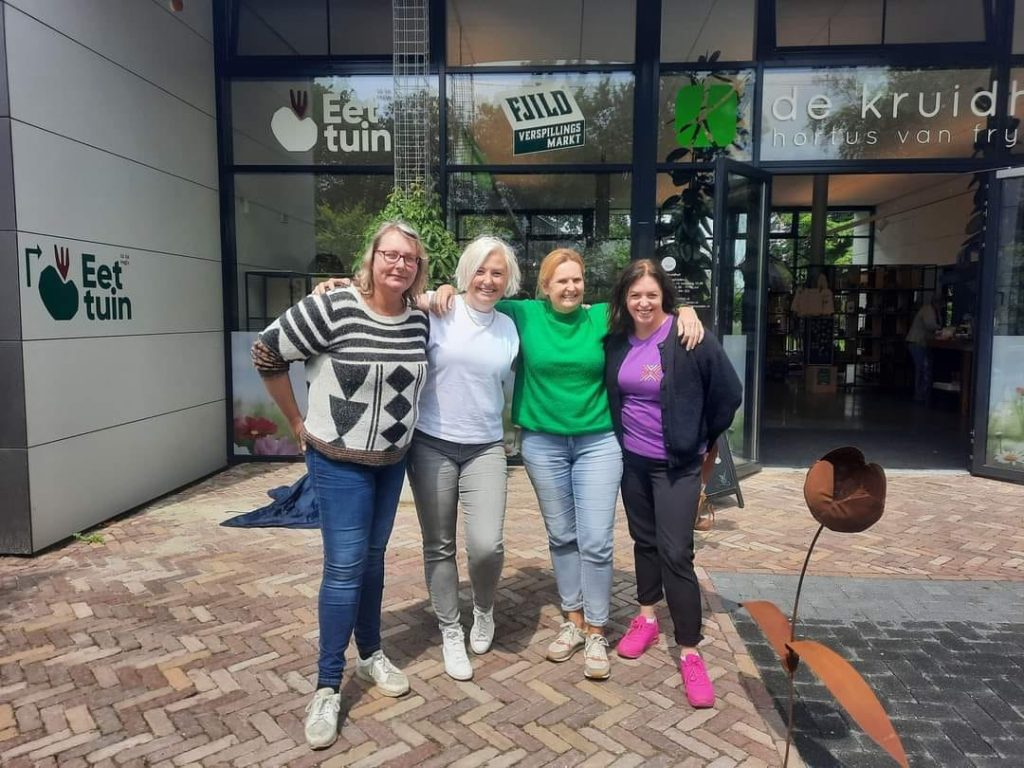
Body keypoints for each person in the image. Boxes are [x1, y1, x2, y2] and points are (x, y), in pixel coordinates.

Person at [433, 248, 705, 680]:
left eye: (577, 280)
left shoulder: (602, 317)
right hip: (543, 442)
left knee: (596, 540)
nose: (571, 287)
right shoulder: (523, 314)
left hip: (598, 442)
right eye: (561, 281)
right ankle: (573, 620)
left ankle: (597, 629)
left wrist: (684, 310)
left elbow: (649, 310)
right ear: (545, 286)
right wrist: (442, 290)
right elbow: (474, 299)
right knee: (561, 536)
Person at [252, 221, 429, 750]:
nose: (399, 264)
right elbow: (266, 352)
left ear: (418, 269)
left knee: (373, 560)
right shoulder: (333, 308)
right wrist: (296, 422)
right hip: (338, 463)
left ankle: (371, 655)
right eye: (390, 254)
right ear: (371, 257)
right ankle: (328, 685)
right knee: (345, 567)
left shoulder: (419, 320)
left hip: (391, 462)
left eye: (410, 259)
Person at [603, 259, 741, 708]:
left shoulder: (688, 337)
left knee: (676, 551)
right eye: (635, 295)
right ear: (625, 298)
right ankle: (646, 618)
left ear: (664, 296)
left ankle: (690, 650)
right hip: (634, 463)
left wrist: (700, 439)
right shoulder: (616, 341)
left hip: (677, 466)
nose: (643, 303)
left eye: (652, 294)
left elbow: (728, 393)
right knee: (644, 541)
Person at [406, 236, 521, 681]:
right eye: (480, 271)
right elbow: (389, 296)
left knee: (487, 545)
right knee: (439, 544)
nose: (487, 280)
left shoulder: (510, 326)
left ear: (508, 279)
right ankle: (450, 629)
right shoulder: (439, 309)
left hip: (485, 446)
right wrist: (336, 286)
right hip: (431, 443)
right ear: (465, 273)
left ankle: (484, 608)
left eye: (497, 273)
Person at [906, 293, 942, 402]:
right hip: (917, 342)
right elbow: (929, 325)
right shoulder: (928, 310)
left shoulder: (933, 311)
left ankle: (921, 393)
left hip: (920, 342)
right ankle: (919, 394)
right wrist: (941, 329)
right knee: (921, 368)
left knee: (921, 368)